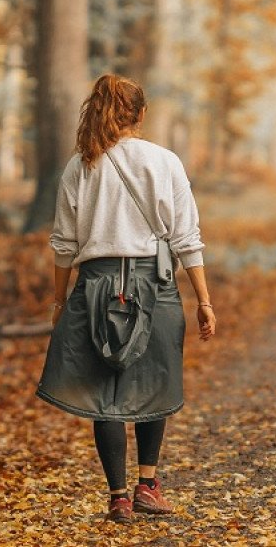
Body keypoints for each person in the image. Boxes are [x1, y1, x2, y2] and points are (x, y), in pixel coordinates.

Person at [35, 73, 217, 524]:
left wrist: (60, 302)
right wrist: (204, 301)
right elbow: (186, 237)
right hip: (154, 286)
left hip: (95, 286)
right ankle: (148, 487)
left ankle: (118, 495)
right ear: (139, 114)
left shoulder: (81, 165)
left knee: (104, 393)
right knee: (155, 382)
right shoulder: (165, 161)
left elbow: (63, 244)